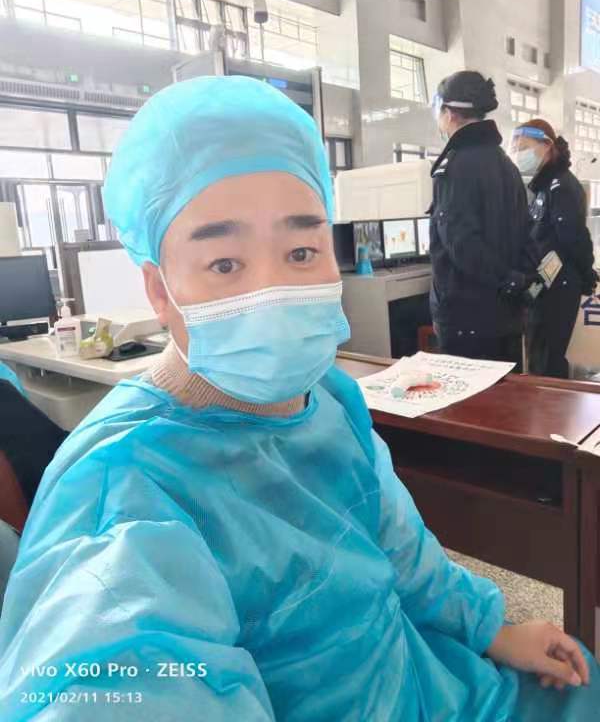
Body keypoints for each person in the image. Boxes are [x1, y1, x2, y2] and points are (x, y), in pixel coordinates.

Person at [0, 76, 598, 721]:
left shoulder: (329, 401)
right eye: (225, 263)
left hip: (432, 685)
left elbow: (400, 547)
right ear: (158, 289)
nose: (274, 289)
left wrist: (491, 628)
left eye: (302, 250)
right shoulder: (125, 490)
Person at [430, 70, 534, 364]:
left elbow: (461, 244)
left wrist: (503, 279)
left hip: (467, 318)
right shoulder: (506, 164)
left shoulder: (454, 166)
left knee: (471, 393)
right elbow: (527, 233)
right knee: (507, 391)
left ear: (449, 113)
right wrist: (515, 281)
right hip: (506, 314)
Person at [510, 119, 598, 378]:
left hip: (559, 285)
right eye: (516, 149)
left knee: (548, 359)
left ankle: (553, 402)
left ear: (547, 145)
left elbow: (574, 238)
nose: (519, 155)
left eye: (524, 147)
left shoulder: (562, 185)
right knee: (539, 356)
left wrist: (587, 275)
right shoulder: (544, 186)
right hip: (543, 284)